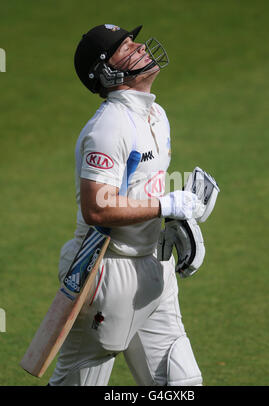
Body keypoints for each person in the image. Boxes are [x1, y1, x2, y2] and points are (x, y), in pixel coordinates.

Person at [49, 23, 205, 386]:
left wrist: (179, 221)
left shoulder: (155, 115)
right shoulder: (108, 128)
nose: (139, 48)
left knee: (181, 385)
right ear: (108, 72)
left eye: (133, 41)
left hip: (154, 269)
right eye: (125, 48)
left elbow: (140, 193)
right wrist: (165, 205)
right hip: (106, 272)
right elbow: (97, 209)